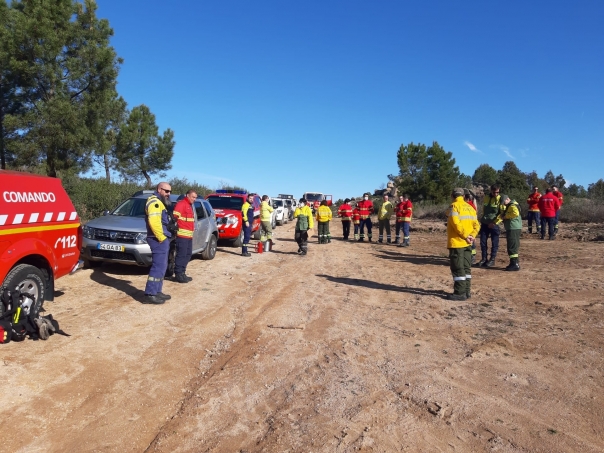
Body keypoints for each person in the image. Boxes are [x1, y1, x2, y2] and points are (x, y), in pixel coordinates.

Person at [446, 188, 480, 301]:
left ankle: (460, 293)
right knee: (466, 268)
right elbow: (477, 225)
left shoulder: (454, 206)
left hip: (457, 243)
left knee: (458, 267)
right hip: (468, 243)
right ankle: (467, 291)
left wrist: (466, 236)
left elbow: (456, 224)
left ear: (452, 196)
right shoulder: (470, 207)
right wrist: (472, 236)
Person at [143, 182, 174, 304]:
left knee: (162, 266)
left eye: (170, 191)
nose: (168, 194)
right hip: (157, 239)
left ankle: (157, 291)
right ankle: (150, 293)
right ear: (159, 189)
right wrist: (161, 238)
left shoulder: (159, 202)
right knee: (158, 266)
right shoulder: (155, 202)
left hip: (161, 238)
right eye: (166, 191)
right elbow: (154, 222)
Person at [171, 190, 197, 283]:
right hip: (182, 235)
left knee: (188, 254)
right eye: (193, 197)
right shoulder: (181, 204)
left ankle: (182, 272)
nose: (194, 199)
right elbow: (174, 217)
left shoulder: (190, 206)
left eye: (195, 197)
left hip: (189, 236)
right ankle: (178, 274)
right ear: (187, 195)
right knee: (181, 255)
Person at [477, 184, 503, 268]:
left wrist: (494, 223)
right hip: (485, 223)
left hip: (494, 224)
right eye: (494, 192)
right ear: (491, 191)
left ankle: (492, 259)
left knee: (494, 242)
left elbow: (502, 214)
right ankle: (484, 259)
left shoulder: (500, 199)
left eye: (497, 192)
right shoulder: (486, 198)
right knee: (483, 242)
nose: (496, 194)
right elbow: (484, 210)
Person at [497, 195, 522, 271]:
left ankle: (514, 264)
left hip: (513, 228)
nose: (504, 204)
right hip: (514, 227)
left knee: (512, 246)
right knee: (513, 245)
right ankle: (514, 263)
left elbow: (515, 213)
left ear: (508, 199)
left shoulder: (512, 205)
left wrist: (505, 216)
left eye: (504, 202)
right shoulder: (511, 205)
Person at [464, 190, 477, 263]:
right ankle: (472, 257)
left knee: (469, 242)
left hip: (467, 227)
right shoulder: (472, 204)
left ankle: (470, 257)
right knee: (472, 241)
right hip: (472, 226)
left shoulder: (465, 205)